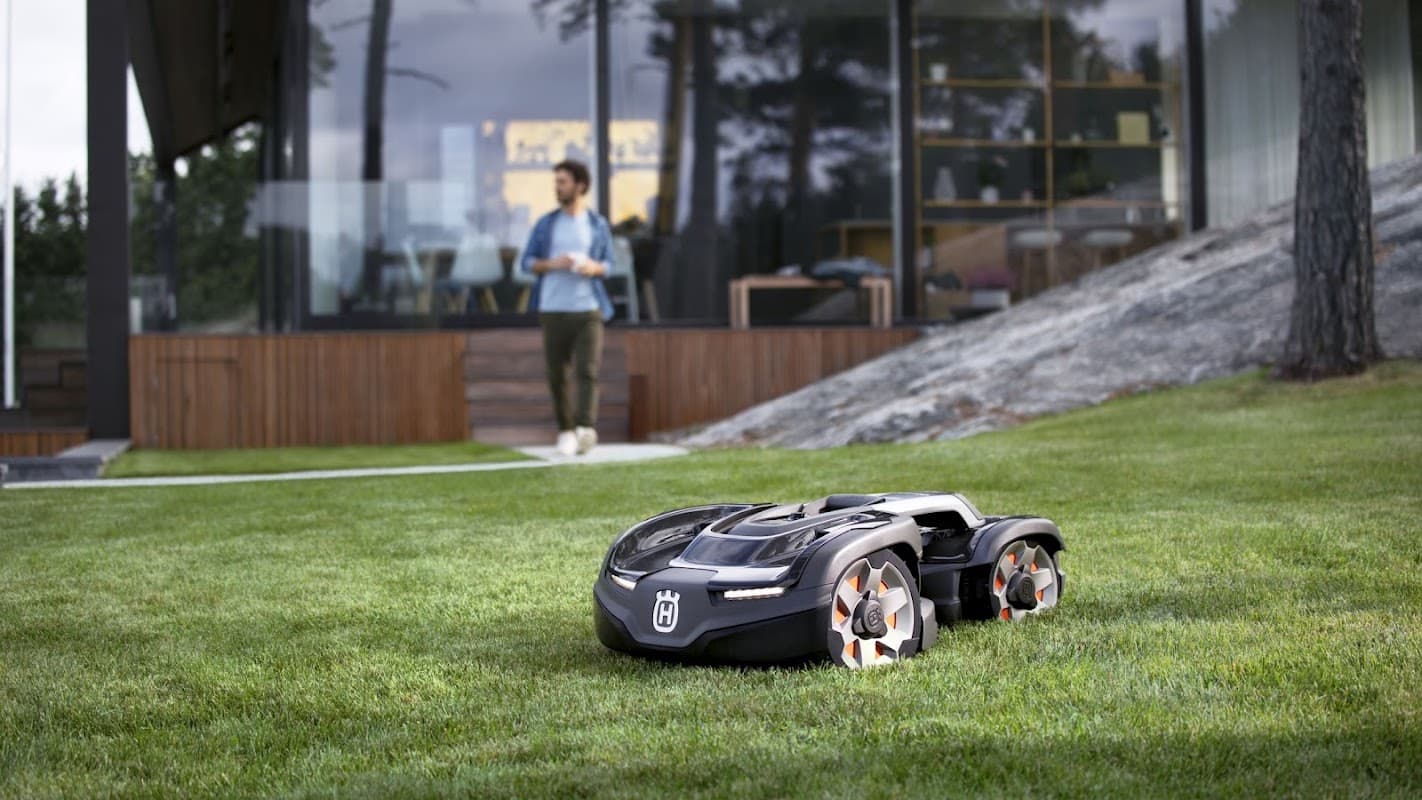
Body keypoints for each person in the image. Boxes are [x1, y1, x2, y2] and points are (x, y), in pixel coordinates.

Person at [519, 159, 614, 456]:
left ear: (580, 186)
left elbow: (609, 265)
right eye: (556, 182)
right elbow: (526, 262)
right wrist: (552, 263)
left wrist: (592, 267)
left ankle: (585, 428)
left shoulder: (597, 224)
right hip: (553, 308)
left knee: (588, 370)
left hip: (588, 309)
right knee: (557, 374)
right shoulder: (546, 224)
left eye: (563, 182)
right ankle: (566, 431)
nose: (557, 187)